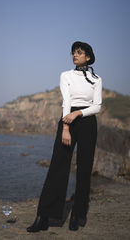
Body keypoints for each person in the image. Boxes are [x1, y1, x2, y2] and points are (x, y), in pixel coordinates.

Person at [27, 41, 102, 232]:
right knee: (57, 166)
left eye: (79, 52)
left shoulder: (97, 79)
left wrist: (78, 114)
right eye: (73, 53)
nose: (74, 55)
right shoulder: (66, 75)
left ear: (88, 57)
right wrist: (66, 128)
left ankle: (78, 214)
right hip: (68, 120)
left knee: (84, 169)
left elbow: (97, 106)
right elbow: (66, 101)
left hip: (87, 122)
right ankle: (43, 217)